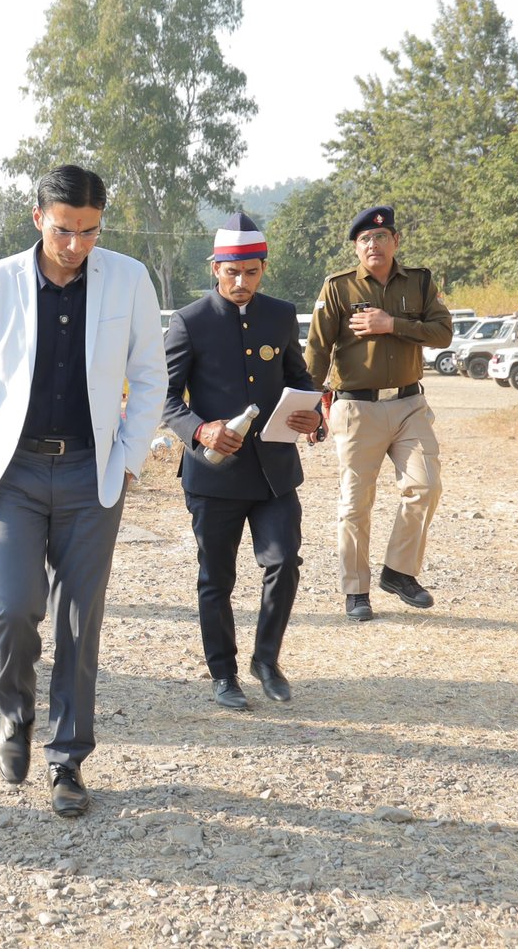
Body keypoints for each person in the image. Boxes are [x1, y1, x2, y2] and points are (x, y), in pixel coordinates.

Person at [0, 165, 166, 817]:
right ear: (38, 217)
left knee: (78, 618)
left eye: (89, 231)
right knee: (16, 607)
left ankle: (68, 759)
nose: (76, 245)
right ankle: (15, 713)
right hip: (12, 473)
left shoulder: (128, 279)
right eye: (64, 229)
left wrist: (128, 461)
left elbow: (150, 376)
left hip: (92, 474)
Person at [162, 213, 323, 711]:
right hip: (213, 474)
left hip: (274, 472)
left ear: (262, 270)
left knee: (284, 561)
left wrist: (312, 415)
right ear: (215, 268)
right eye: (232, 272)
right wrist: (200, 430)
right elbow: (166, 399)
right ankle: (223, 673)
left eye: (251, 273)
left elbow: (300, 378)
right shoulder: (190, 321)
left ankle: (266, 660)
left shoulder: (280, 315)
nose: (241, 282)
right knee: (217, 579)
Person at [304, 205, 453, 622]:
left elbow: (443, 333)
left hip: (409, 404)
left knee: (425, 486)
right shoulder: (338, 287)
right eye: (365, 239)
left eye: (382, 237)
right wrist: (309, 406)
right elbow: (317, 350)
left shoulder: (420, 283)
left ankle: (399, 572)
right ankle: (356, 590)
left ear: (395, 241)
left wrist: (393, 324)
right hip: (357, 407)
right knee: (356, 502)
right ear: (356, 247)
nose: (374, 244)